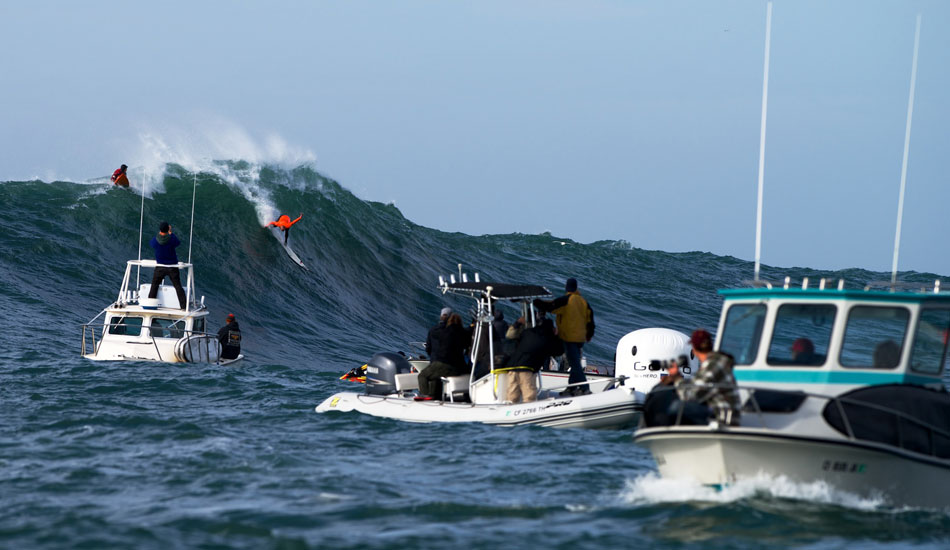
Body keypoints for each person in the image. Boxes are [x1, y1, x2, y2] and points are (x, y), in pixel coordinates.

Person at [664, 329, 741, 426]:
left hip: (724, 419)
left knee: (676, 407)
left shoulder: (712, 366)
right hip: (725, 414)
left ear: (694, 349)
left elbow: (689, 396)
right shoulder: (718, 361)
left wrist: (677, 378)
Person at [534, 277, 595, 396]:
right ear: (576, 288)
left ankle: (585, 388)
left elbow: (551, 306)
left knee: (575, 364)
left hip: (569, 337)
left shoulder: (566, 300)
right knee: (574, 361)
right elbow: (590, 320)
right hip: (580, 338)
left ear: (567, 288)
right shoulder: (583, 302)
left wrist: (537, 302)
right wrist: (589, 335)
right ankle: (571, 388)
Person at [503, 316, 562, 403]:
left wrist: (518, 323)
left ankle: (508, 409)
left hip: (511, 367)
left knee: (512, 394)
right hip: (526, 368)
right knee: (529, 394)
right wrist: (558, 336)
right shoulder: (547, 339)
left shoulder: (527, 332)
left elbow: (510, 336)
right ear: (552, 329)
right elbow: (558, 351)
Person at [416, 313, 470, 401]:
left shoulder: (445, 332)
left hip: (446, 364)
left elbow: (434, 346)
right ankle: (435, 395)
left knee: (422, 375)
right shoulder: (463, 333)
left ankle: (425, 395)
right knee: (434, 375)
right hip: (460, 367)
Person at [148, 221, 187, 310]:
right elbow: (178, 243)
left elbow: (151, 244)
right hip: (172, 267)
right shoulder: (171, 239)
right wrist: (171, 233)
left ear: (160, 229)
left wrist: (159, 234)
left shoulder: (155, 240)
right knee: (178, 287)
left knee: (154, 285)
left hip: (160, 267)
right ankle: (183, 306)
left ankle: (150, 305)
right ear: (168, 229)